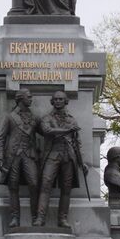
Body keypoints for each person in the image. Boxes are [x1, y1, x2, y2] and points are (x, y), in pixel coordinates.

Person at [35, 90, 87, 229]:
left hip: (68, 156)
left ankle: (62, 219)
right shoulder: (47, 118)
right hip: (52, 155)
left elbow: (77, 142)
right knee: (45, 185)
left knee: (66, 189)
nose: (58, 101)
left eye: (60, 99)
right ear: (52, 101)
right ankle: (40, 218)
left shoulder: (71, 120)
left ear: (66, 101)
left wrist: (82, 161)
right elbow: (47, 131)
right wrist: (67, 131)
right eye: (55, 99)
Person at [0, 89, 42, 228]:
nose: (31, 99)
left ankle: (35, 218)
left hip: (29, 155)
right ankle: (15, 218)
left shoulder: (35, 118)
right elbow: (0, 139)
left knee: (34, 184)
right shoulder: (9, 117)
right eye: (29, 96)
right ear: (20, 99)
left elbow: (46, 132)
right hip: (12, 157)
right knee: (13, 187)